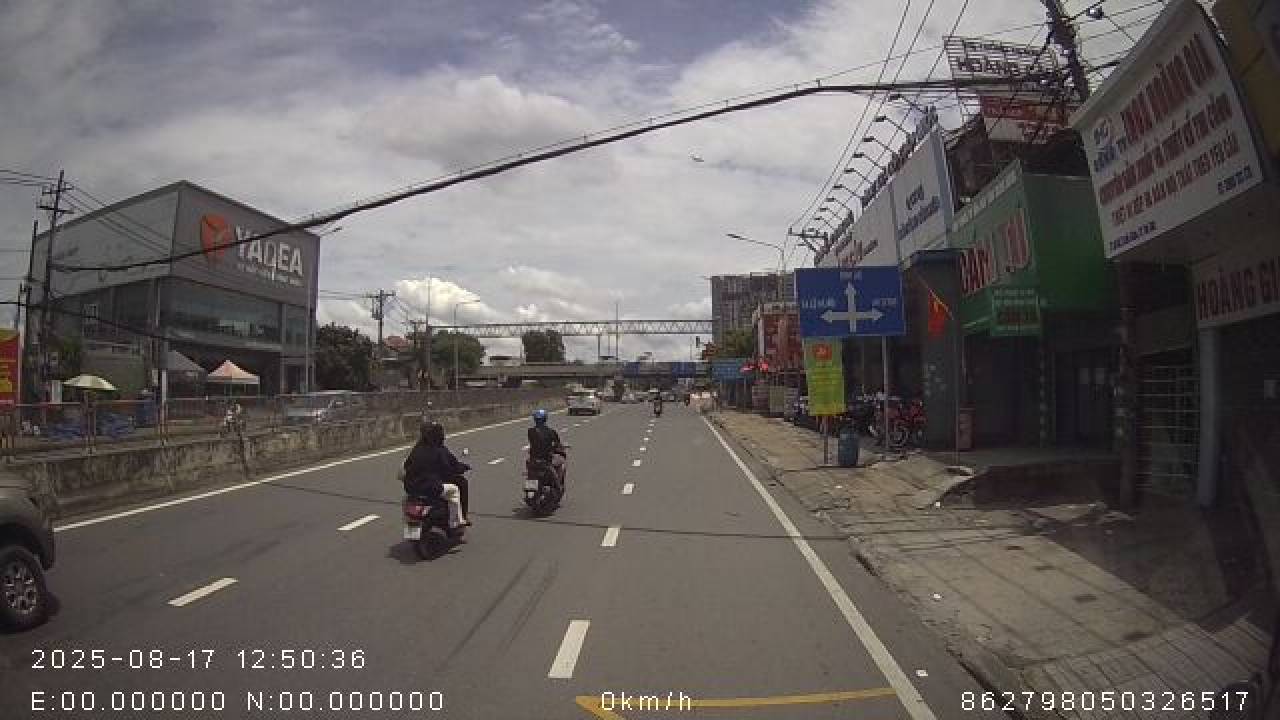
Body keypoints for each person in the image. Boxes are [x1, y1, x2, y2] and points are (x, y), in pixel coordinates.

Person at [402, 420, 469, 535]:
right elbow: (449, 468)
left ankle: (412, 533)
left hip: (412, 488)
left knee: (407, 503)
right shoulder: (439, 449)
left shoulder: (416, 449)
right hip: (430, 487)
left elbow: (406, 466)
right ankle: (455, 523)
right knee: (455, 490)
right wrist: (463, 467)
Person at [526, 409, 566, 489]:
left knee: (530, 470)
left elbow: (535, 442)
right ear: (545, 419)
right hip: (546, 459)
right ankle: (558, 485)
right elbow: (557, 443)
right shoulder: (551, 431)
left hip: (533, 460)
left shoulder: (530, 431)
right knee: (560, 462)